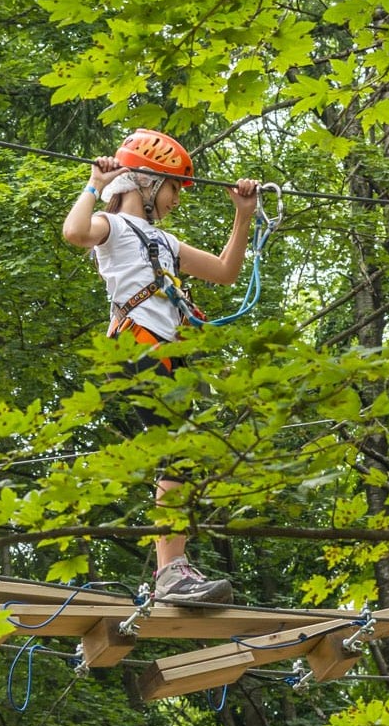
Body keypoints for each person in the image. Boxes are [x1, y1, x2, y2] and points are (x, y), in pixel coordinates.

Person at [60, 128, 260, 605]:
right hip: (136, 348)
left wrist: (243, 214)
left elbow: (226, 272)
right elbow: (73, 232)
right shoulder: (112, 227)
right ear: (147, 184)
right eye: (172, 188)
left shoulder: (166, 242)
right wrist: (93, 183)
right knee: (183, 454)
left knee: (188, 455)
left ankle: (171, 569)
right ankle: (171, 572)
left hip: (168, 353)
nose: (175, 200)